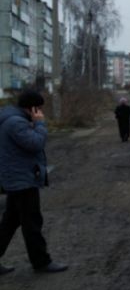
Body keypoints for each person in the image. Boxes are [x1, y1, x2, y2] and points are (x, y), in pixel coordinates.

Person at [0, 90, 68, 274]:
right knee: (32, 222)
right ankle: (41, 262)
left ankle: (39, 260)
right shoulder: (16, 123)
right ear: (32, 108)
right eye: (38, 108)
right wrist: (40, 124)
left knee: (10, 221)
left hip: (16, 177)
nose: (40, 112)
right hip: (22, 179)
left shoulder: (10, 118)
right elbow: (36, 143)